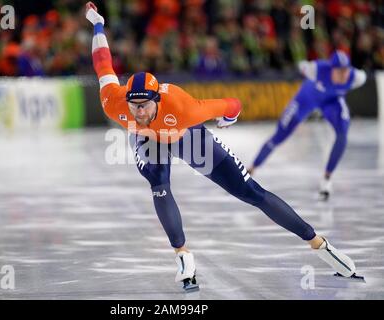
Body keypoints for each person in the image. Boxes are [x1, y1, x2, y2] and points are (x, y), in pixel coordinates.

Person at [84, 2, 361, 291]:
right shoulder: (114, 103)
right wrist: (98, 24)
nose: (138, 113)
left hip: (184, 133)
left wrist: (229, 119)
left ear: (157, 99)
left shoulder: (184, 108)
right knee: (158, 180)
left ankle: (319, 243)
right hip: (148, 141)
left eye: (144, 106)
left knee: (249, 191)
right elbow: (103, 63)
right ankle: (182, 255)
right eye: (134, 106)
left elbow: (233, 104)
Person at [248, 51, 367, 200]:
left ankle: (326, 179)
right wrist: (292, 74)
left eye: (346, 70)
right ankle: (251, 169)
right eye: (340, 71)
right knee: (280, 135)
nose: (344, 75)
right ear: (331, 69)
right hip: (305, 99)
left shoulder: (356, 77)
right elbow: (301, 66)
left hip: (331, 102)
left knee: (343, 133)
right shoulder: (316, 69)